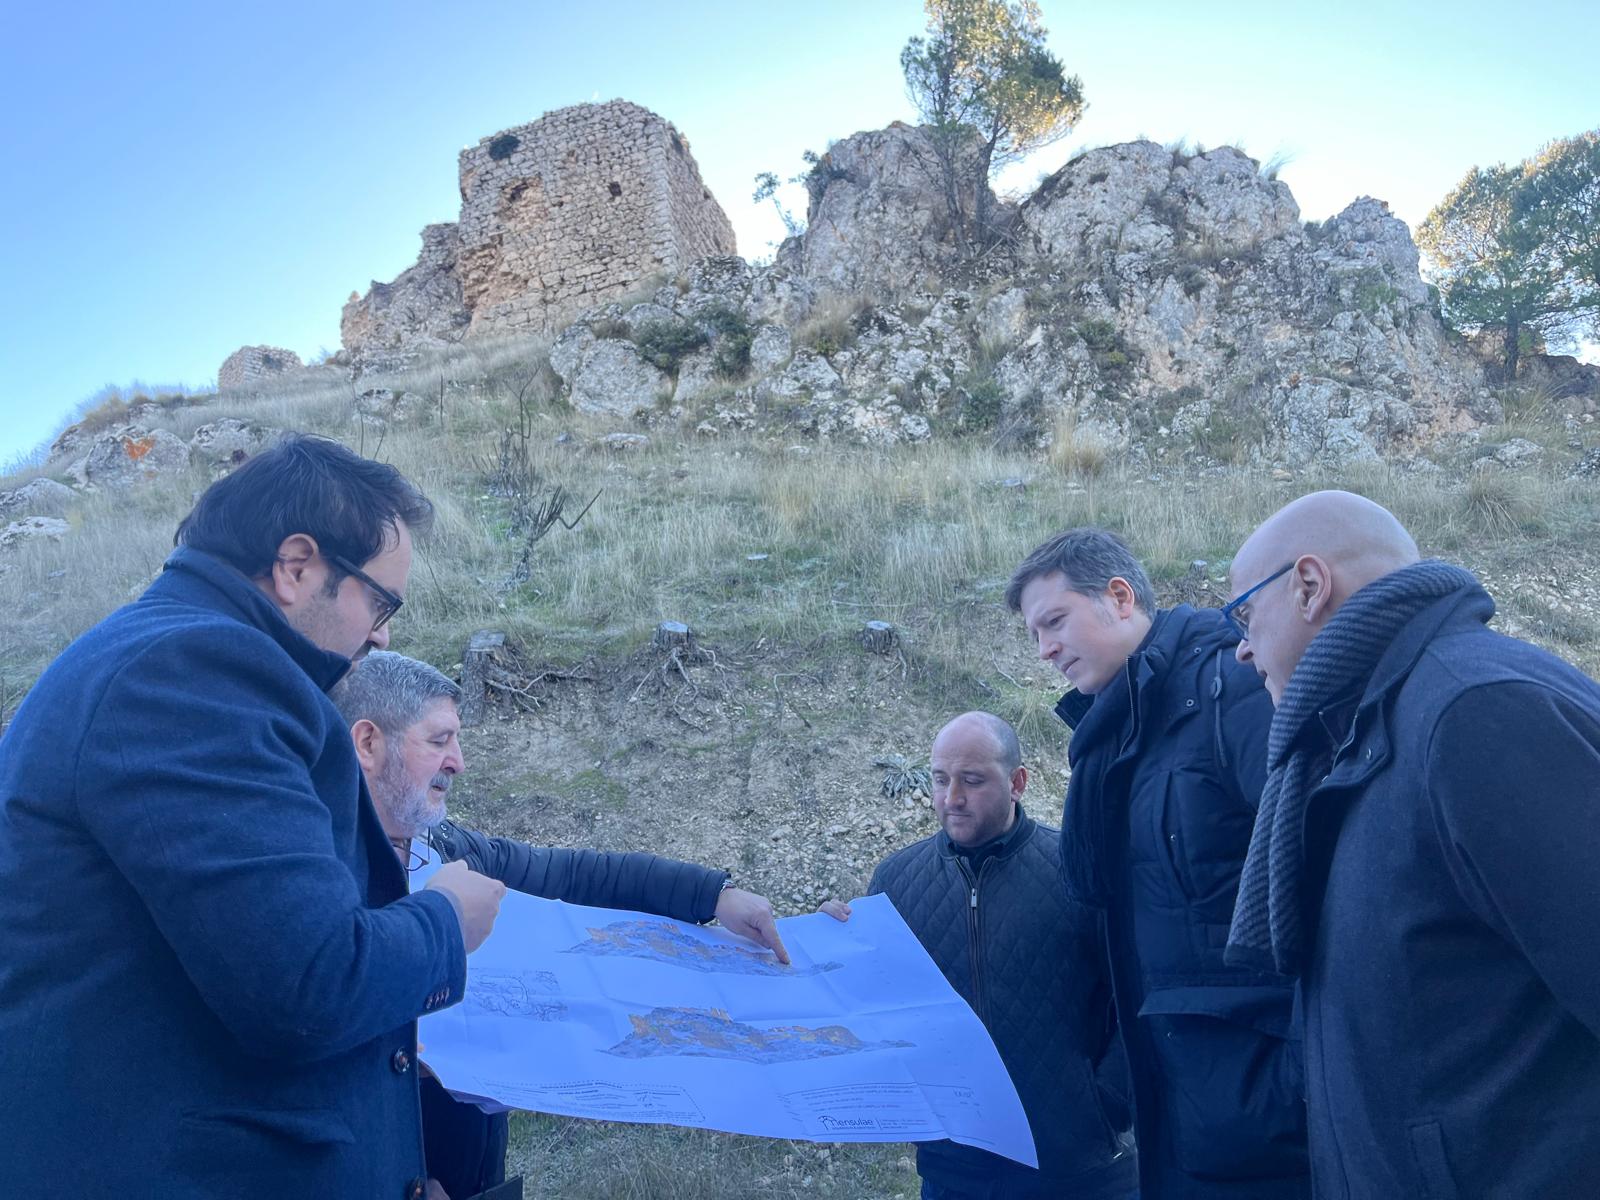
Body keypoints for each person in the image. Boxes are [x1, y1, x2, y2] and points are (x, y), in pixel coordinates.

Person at [0, 434, 506, 1200]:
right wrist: (445, 923)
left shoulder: (166, 655)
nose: (382, 634)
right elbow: (306, 987)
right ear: (297, 566)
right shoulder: (191, 673)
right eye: (381, 600)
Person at [1224, 490, 1600, 1198]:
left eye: (1244, 615)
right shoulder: (1357, 743)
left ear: (1309, 586)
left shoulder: (1478, 712)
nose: (1241, 648)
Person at [333, 650, 789, 1200]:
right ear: (367, 744)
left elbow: (575, 875)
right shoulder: (318, 878)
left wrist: (715, 893)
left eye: (456, 741)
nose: (458, 761)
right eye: (438, 741)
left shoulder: (449, 850)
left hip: (473, 1171)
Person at [1006, 528, 1309, 1199]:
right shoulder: (1109, 735)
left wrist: (1299, 1081)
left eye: (1054, 621)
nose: (1045, 649)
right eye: (1034, 635)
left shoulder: (1233, 683)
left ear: (1119, 597)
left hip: (1274, 1122)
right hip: (1180, 1108)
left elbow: (1328, 871)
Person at [822, 712, 1136, 1199]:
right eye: (940, 779)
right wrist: (828, 943)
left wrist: (1107, 1103)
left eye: (972, 781)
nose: (952, 799)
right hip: (954, 1172)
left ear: (1018, 782)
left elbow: (1134, 995)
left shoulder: (1079, 868)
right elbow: (870, 1010)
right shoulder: (895, 882)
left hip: (1080, 1169)